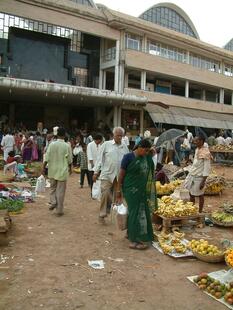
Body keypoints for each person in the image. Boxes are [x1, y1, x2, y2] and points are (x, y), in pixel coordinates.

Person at [116, 139, 156, 250]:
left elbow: (151, 155)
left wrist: (150, 151)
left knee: (137, 212)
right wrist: (118, 191)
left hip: (141, 190)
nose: (147, 153)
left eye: (148, 151)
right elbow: (121, 175)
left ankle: (130, 233)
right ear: (139, 147)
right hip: (130, 190)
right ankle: (134, 241)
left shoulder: (145, 157)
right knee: (135, 213)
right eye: (145, 150)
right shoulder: (128, 157)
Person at [93, 127, 129, 223]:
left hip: (119, 176)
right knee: (105, 193)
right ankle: (102, 214)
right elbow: (99, 159)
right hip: (107, 174)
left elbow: (128, 161)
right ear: (114, 135)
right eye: (118, 135)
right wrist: (96, 172)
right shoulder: (106, 145)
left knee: (118, 196)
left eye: (121, 136)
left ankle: (118, 216)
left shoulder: (124, 147)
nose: (120, 137)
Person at [42, 127, 73, 216]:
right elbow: (70, 159)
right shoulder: (67, 145)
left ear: (57, 134)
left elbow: (46, 157)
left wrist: (43, 168)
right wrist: (70, 168)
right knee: (61, 191)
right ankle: (59, 210)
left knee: (52, 188)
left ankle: (53, 202)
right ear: (65, 135)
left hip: (52, 169)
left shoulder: (52, 144)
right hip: (62, 171)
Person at [183, 135, 211, 213]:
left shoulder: (206, 152)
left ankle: (200, 211)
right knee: (191, 194)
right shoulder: (197, 150)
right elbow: (196, 161)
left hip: (199, 177)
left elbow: (207, 168)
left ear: (201, 141)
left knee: (200, 195)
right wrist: (190, 161)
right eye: (194, 141)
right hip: (193, 175)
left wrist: (203, 181)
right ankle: (192, 210)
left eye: (196, 141)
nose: (195, 142)